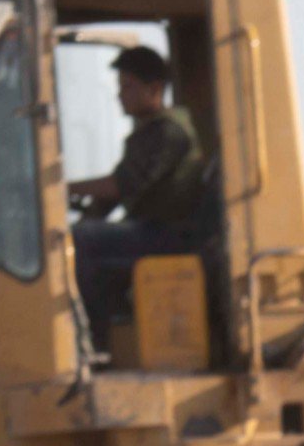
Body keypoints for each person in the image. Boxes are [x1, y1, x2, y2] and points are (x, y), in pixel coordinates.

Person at [67, 43, 215, 339]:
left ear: (154, 89)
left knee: (79, 240)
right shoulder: (149, 131)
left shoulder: (168, 132)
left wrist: (62, 188)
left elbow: (119, 186)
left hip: (170, 235)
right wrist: (90, 211)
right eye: (120, 86)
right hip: (154, 230)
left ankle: (95, 339)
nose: (120, 94)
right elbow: (117, 192)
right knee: (78, 236)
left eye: (128, 86)